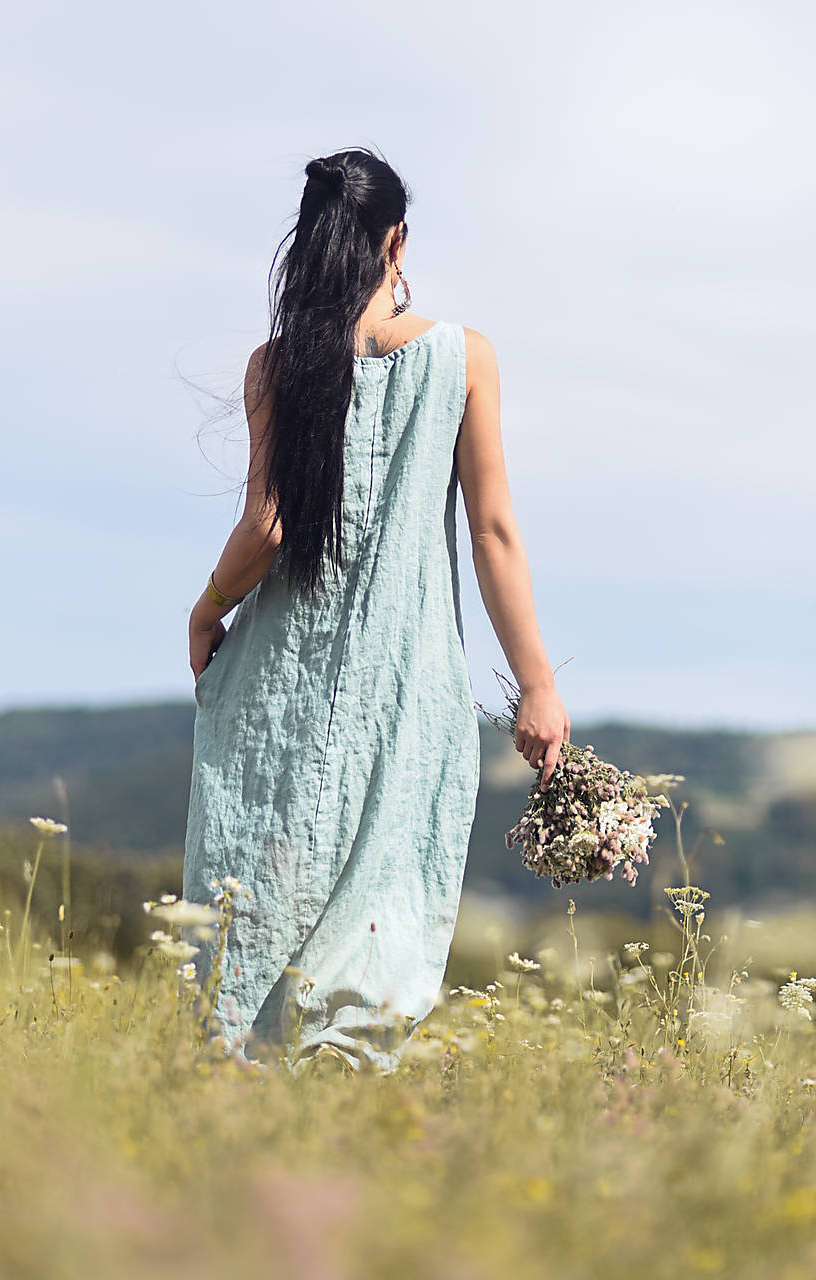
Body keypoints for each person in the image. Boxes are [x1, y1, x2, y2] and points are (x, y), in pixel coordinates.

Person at [183, 146, 570, 1076]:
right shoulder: (464, 359)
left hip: (279, 689)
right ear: (397, 240)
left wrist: (206, 611)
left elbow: (266, 527)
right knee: (384, 904)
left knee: (258, 907)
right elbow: (493, 533)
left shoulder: (277, 367)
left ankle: (242, 1104)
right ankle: (339, 1089)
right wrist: (537, 684)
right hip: (406, 688)